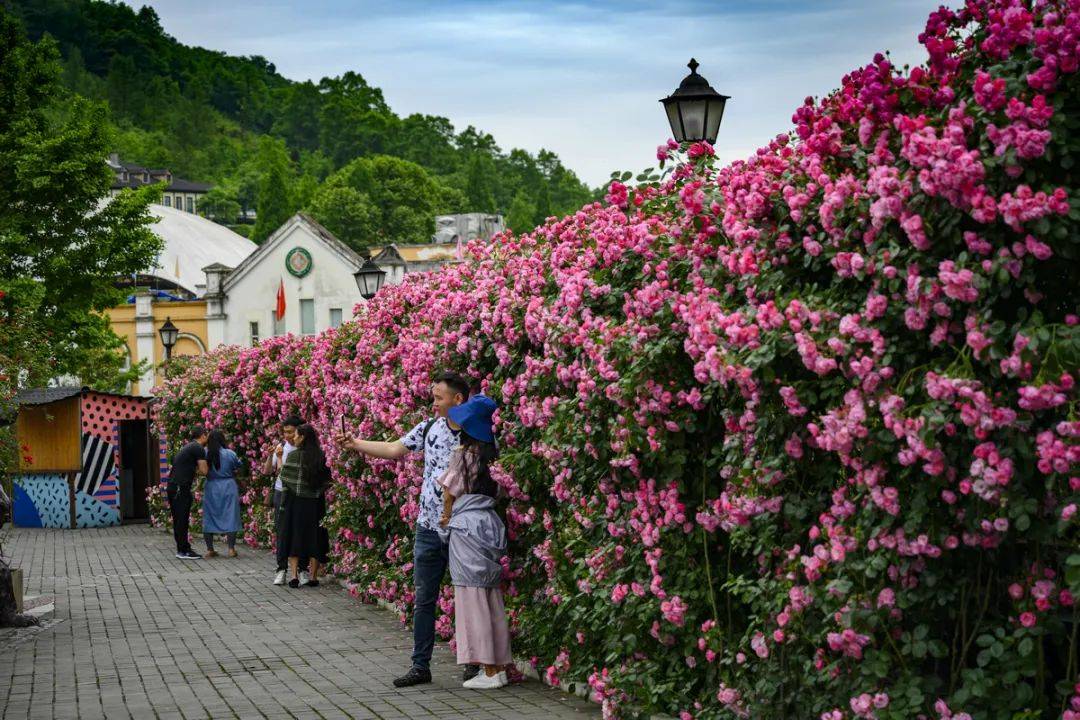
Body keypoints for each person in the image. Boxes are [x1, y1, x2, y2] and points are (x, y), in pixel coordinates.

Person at [336, 370, 476, 687]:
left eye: (439, 397)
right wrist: (355, 442)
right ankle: (420, 666)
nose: (434, 402)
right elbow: (394, 448)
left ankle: (472, 662)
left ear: (458, 399)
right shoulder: (428, 428)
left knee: (466, 598)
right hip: (427, 527)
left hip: (463, 529)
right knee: (424, 598)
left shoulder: (475, 434)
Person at [437, 394, 510, 689]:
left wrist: (445, 516)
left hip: (467, 525)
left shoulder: (463, 454)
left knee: (472, 596)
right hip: (490, 524)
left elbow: (449, 492)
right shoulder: (495, 455)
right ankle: (500, 666)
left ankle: (489, 670)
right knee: (490, 594)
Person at [278, 423, 331, 588]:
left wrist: (279, 459)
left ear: (302, 438)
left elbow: (284, 476)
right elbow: (327, 481)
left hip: (296, 502)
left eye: (296, 435)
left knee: (295, 535)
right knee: (315, 535)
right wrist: (315, 492)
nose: (293, 438)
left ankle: (294, 576)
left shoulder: (294, 455)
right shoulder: (321, 456)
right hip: (316, 503)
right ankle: (313, 577)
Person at [262, 415, 303, 586]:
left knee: (300, 531)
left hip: (299, 494)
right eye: (285, 432)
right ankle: (281, 569)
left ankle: (301, 569)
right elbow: (267, 471)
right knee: (282, 531)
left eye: (291, 432)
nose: (287, 436)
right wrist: (270, 456)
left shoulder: (304, 450)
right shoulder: (281, 447)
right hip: (281, 493)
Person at [167, 426, 209, 560]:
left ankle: (182, 548)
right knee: (182, 519)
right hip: (180, 488)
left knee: (178, 519)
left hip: (173, 486)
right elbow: (204, 471)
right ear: (203, 436)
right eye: (206, 435)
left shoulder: (189, 447)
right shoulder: (198, 448)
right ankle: (184, 550)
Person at [202, 430, 242, 559]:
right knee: (231, 515)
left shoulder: (205, 454)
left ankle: (210, 549)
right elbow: (238, 466)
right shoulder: (230, 453)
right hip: (228, 486)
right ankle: (231, 549)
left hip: (211, 486)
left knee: (209, 516)